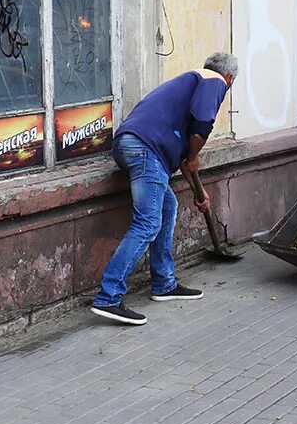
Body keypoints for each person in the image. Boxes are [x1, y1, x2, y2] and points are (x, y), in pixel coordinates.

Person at [91, 53, 238, 326]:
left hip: (132, 146)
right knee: (147, 223)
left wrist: (199, 192)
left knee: (167, 206)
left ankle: (164, 283)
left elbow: (186, 160)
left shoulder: (188, 84)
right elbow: (202, 126)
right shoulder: (213, 81)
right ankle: (108, 297)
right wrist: (195, 154)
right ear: (229, 79)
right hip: (147, 150)